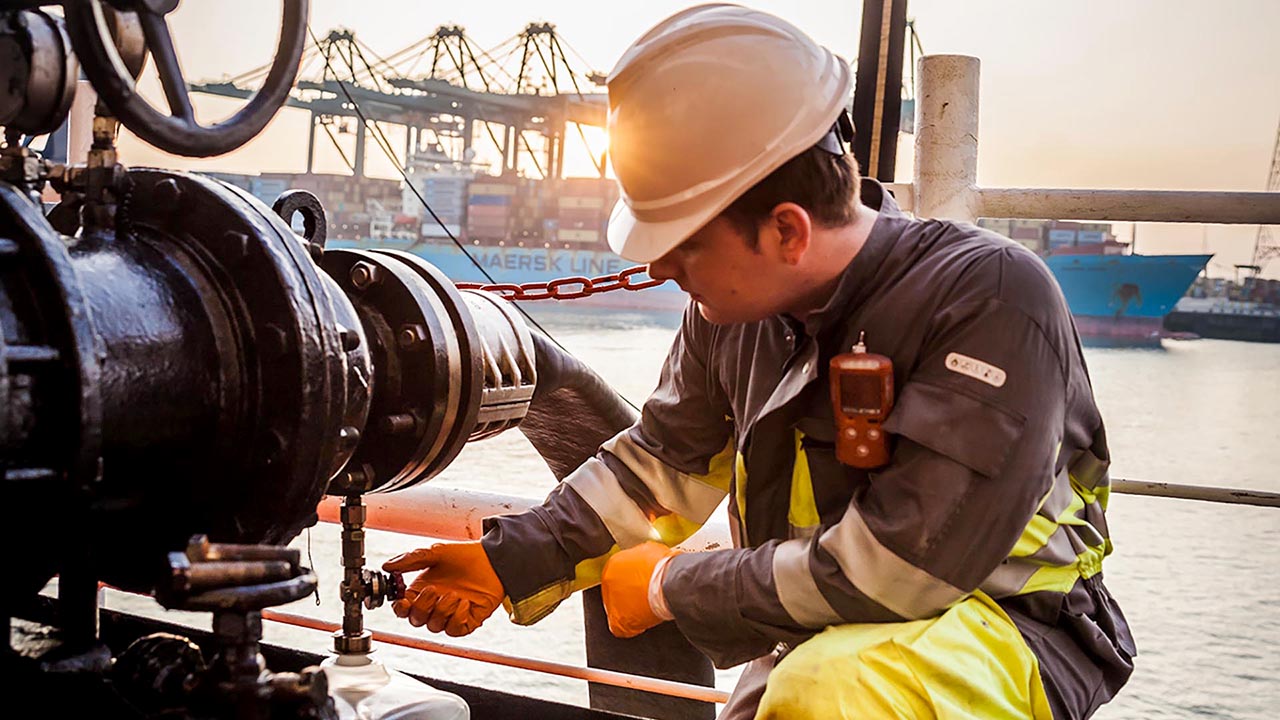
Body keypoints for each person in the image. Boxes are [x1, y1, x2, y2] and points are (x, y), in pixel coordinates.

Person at [383, 5, 1136, 718]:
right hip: (826, 628)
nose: (659, 268)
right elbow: (659, 469)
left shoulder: (990, 299)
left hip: (1014, 631)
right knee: (808, 686)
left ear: (786, 230)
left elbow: (906, 568)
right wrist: (505, 561)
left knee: (823, 693)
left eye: (682, 243)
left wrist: (669, 586)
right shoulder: (734, 312)